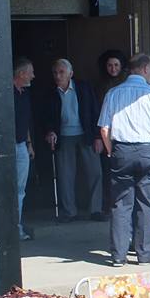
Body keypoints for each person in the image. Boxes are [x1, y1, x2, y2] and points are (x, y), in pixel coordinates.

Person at [98, 54, 150, 267]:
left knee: (121, 203)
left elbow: (104, 128)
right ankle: (145, 252)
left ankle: (118, 255)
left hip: (122, 151)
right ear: (146, 69)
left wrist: (112, 151)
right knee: (146, 202)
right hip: (149, 150)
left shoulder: (113, 93)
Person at [43, 59, 103, 223]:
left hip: (86, 134)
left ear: (71, 73)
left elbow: (94, 110)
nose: (57, 76)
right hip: (63, 136)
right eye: (55, 72)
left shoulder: (83, 87)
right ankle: (69, 211)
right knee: (65, 174)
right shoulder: (51, 92)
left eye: (61, 72)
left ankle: (95, 210)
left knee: (95, 172)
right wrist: (50, 131)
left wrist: (98, 136)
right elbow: (47, 116)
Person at [96, 49, 129, 216]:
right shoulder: (101, 84)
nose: (113, 68)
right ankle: (108, 206)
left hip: (123, 133)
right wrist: (99, 137)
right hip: (106, 133)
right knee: (107, 172)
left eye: (116, 65)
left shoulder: (126, 84)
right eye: (109, 65)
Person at [13, 57, 35, 241]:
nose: (33, 76)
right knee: (7, 189)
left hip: (21, 145)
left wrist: (29, 143)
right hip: (6, 146)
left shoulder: (25, 93)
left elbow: (26, 121)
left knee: (20, 190)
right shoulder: (7, 92)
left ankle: (17, 228)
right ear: (21, 74)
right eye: (30, 72)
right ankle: (9, 228)